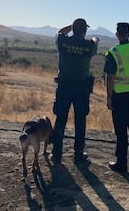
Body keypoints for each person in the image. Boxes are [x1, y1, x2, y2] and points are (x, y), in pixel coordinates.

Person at [51, 18, 99, 165]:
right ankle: (78, 154)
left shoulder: (63, 41)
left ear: (73, 29)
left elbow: (59, 32)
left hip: (64, 86)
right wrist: (94, 38)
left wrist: (70, 27)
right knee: (80, 121)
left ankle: (57, 154)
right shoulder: (89, 45)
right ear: (84, 31)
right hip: (81, 88)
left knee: (60, 120)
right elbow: (95, 41)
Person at [104, 22, 129, 172]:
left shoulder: (114, 52)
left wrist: (108, 97)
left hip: (119, 95)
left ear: (116, 34)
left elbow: (110, 77)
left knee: (121, 130)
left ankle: (121, 162)